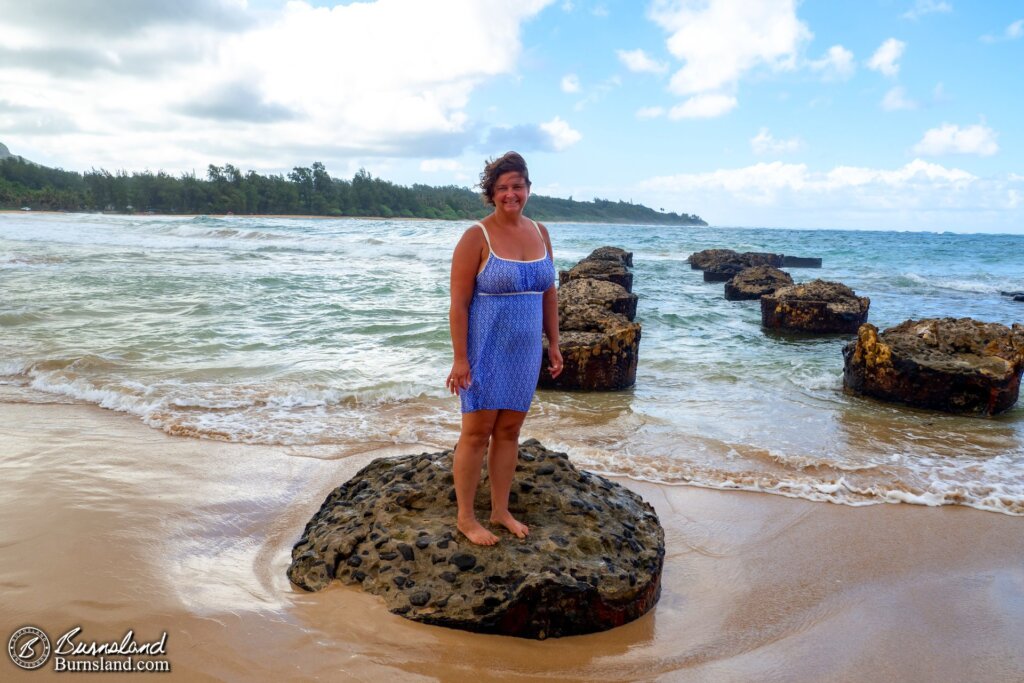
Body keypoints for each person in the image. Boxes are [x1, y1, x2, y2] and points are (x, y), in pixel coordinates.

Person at [446, 151, 563, 546]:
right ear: (491, 194)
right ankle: (466, 517)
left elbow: (549, 294)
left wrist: (555, 344)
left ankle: (499, 510)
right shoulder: (475, 236)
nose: (510, 194)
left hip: (525, 351)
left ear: (528, 189)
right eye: (502, 188)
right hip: (485, 348)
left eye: (517, 186)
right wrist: (460, 359)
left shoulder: (541, 232)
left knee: (510, 431)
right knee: (476, 433)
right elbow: (458, 305)